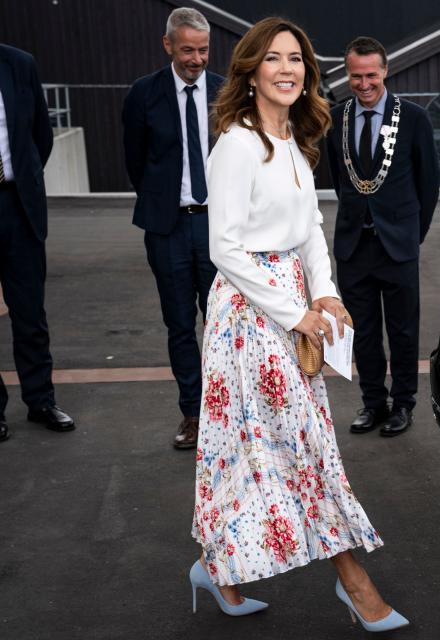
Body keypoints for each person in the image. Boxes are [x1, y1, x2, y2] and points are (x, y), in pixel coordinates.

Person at [189, 18, 408, 631]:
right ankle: (355, 584)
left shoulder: (294, 142)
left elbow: (311, 230)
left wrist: (328, 294)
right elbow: (225, 250)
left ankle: (218, 567)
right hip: (249, 315)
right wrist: (296, 312)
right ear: (252, 70)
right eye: (274, 58)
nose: (287, 69)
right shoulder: (235, 142)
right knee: (297, 447)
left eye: (297, 60)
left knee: (270, 448)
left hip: (293, 306)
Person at [325, 36, 440, 438]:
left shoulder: (412, 118)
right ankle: (373, 402)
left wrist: (411, 235)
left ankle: (403, 404)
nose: (363, 83)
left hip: (398, 246)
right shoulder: (336, 119)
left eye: (371, 74)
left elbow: (429, 185)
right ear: (347, 74)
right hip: (354, 247)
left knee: (404, 330)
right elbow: (342, 182)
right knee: (364, 332)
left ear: (385, 71)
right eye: (355, 76)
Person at [122, 8, 223, 450]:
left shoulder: (228, 92)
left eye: (203, 50)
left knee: (222, 325)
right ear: (168, 46)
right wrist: (165, 201)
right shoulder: (143, 94)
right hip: (167, 230)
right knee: (180, 325)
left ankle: (228, 415)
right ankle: (193, 414)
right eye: (188, 50)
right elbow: (134, 162)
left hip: (220, 229)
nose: (197, 59)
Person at [0, 44, 74, 442]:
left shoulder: (19, 64)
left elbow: (41, 136)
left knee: (29, 310)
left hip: (18, 204)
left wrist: (24, 179)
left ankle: (40, 400)